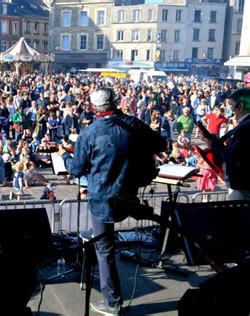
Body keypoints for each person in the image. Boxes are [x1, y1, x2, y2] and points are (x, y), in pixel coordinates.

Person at [59, 88, 166, 316]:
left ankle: (112, 303)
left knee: (105, 250)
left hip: (103, 198)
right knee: (106, 248)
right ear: (114, 102)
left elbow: (76, 169)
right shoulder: (133, 124)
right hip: (129, 193)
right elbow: (161, 144)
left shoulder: (90, 132)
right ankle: (112, 301)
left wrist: (65, 156)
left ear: (94, 108)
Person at [202, 88, 250, 200]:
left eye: (232, 105)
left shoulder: (245, 127)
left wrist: (212, 144)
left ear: (241, 106)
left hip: (243, 187)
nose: (231, 110)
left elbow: (232, 156)